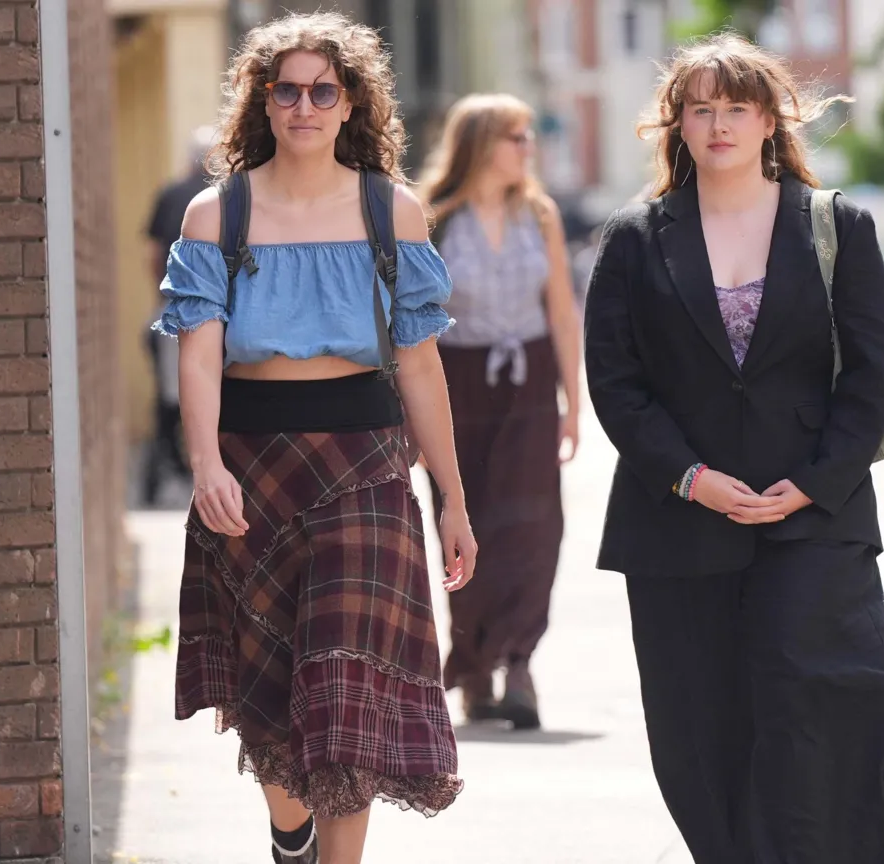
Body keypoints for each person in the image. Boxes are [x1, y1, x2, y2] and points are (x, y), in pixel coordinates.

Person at [148, 13, 477, 864]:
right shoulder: (215, 214)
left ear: (349, 103)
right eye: (286, 88)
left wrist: (452, 497)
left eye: (321, 90)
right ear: (263, 98)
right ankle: (288, 828)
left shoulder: (389, 210)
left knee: (347, 692)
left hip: (366, 467)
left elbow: (422, 369)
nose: (303, 105)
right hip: (252, 468)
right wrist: (205, 463)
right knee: (270, 695)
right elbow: (197, 358)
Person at [583, 33, 884, 864]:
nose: (718, 124)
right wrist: (689, 478)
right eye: (701, 110)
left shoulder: (840, 226)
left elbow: (871, 378)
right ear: (677, 127)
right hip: (678, 528)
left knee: (823, 714)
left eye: (736, 107)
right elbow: (616, 384)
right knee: (701, 739)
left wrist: (813, 482)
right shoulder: (632, 238)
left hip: (812, 521)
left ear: (769, 119)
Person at [418, 93, 581, 730]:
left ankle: (517, 661)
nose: (526, 148)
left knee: (535, 528)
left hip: (531, 381)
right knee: (464, 526)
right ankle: (476, 661)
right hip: (456, 385)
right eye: (516, 136)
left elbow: (563, 312)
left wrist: (572, 400)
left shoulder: (538, 214)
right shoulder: (434, 219)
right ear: (481, 143)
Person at [140, 126, 215, 505]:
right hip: (218, 314)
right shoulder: (226, 201)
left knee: (171, 397)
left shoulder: (170, 195)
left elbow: (154, 258)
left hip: (174, 309)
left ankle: (164, 476)